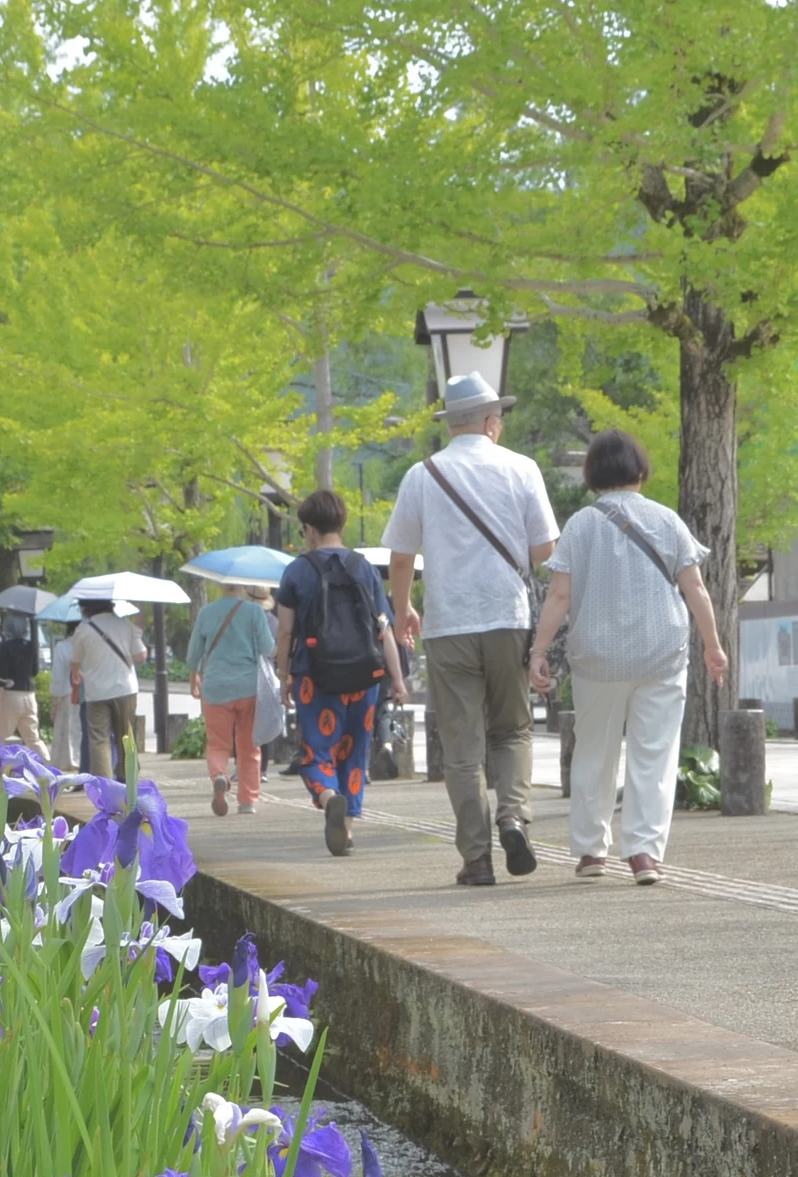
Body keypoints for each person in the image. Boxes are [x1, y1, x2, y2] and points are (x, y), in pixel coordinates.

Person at [526, 429, 728, 885]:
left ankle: (592, 851)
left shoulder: (580, 525)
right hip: (661, 656)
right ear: (640, 469)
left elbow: (559, 595)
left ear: (593, 473)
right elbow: (694, 588)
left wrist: (539, 651)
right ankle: (643, 854)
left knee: (594, 753)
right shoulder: (667, 520)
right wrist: (713, 646)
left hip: (599, 657)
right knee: (653, 755)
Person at [386, 371, 559, 886]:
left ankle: (477, 859)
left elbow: (401, 558)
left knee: (462, 747)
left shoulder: (423, 475)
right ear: (489, 422)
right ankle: (513, 816)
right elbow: (546, 551)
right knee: (512, 729)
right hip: (507, 617)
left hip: (447, 624)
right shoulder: (521, 469)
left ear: (450, 424)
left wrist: (403, 611)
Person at [274, 489, 411, 857]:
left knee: (317, 751)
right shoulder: (363, 568)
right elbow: (384, 628)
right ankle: (346, 831)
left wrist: (284, 675)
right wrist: (396, 680)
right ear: (342, 524)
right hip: (364, 678)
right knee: (354, 751)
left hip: (314, 677)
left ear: (309, 529)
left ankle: (328, 795)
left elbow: (285, 632)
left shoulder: (297, 571)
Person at [185, 571, 277, 815]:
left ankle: (220, 776)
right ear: (244, 586)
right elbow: (268, 648)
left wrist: (194, 678)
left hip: (215, 688)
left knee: (218, 743)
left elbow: (194, 653)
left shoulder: (206, 613)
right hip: (249, 688)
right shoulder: (254, 612)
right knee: (249, 745)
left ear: (220, 585)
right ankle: (247, 801)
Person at [67, 595, 146, 785]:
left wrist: (77, 674)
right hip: (125, 689)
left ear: (85, 609)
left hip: (97, 692)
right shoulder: (125, 625)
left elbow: (75, 660)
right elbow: (141, 655)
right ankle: (129, 780)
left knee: (99, 740)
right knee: (126, 736)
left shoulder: (83, 629)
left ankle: (105, 785)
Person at [0, 614, 46, 751]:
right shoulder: (31, 646)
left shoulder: (5, 647)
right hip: (29, 695)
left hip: (10, 695)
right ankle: (47, 764)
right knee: (32, 738)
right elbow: (34, 672)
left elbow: (3, 676)